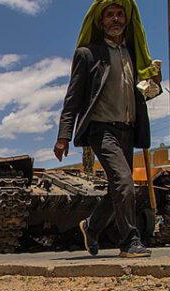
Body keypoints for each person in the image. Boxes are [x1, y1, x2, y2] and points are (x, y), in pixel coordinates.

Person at [54, 0, 161, 258]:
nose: (115, 19)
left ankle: (91, 227)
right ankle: (129, 241)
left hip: (127, 130)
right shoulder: (88, 54)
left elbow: (144, 94)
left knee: (118, 188)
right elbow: (73, 98)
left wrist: (154, 81)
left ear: (126, 19)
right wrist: (63, 136)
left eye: (119, 14)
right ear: (100, 22)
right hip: (101, 130)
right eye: (109, 15)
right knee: (124, 183)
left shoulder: (134, 56)